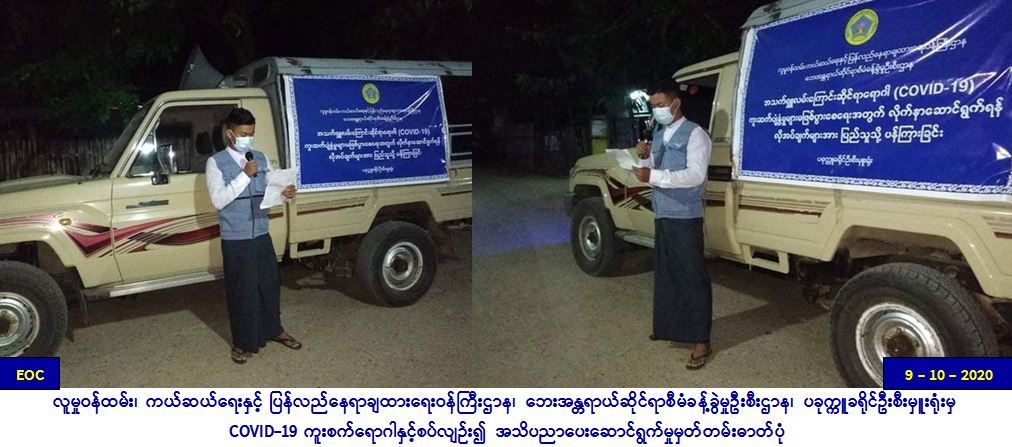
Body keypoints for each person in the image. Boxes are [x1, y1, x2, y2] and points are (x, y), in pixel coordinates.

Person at [205, 107, 301, 364]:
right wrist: (244, 176)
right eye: (244, 134)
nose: (248, 139)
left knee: (269, 285)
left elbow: (272, 192)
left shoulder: (261, 158)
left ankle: (274, 329)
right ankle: (243, 342)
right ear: (230, 134)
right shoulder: (216, 162)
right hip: (236, 238)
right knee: (242, 291)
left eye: (251, 134)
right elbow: (218, 200)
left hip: (261, 233)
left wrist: (286, 195)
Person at [632, 79, 714, 370]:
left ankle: (701, 341)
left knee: (692, 277)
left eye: (660, 105)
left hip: (685, 216)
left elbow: (695, 175)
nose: (656, 110)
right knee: (668, 275)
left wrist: (653, 176)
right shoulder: (658, 135)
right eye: (653, 106)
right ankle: (672, 328)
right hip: (663, 214)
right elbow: (653, 170)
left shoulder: (696, 134)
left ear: (676, 103)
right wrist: (643, 159)